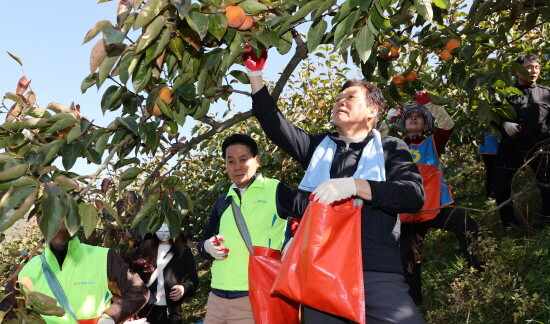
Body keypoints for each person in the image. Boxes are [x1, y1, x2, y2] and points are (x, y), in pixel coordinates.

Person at [245, 48, 425, 323]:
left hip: (374, 270)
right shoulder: (318, 148)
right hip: (323, 270)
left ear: (373, 109)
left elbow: (412, 195)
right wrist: (255, 75)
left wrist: (355, 186)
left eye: (350, 96)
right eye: (338, 98)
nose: (341, 101)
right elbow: (274, 123)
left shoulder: (390, 148)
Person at [196, 133, 308, 324]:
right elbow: (202, 245)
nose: (237, 166)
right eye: (230, 161)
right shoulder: (223, 201)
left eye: (243, 159)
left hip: (254, 297)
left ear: (257, 161)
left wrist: (292, 247)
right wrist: (207, 247)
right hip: (216, 299)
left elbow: (312, 212)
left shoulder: (274, 190)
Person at [386, 92, 483, 305]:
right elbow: (372, 139)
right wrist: (387, 120)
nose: (413, 118)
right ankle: (414, 306)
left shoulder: (432, 142)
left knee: (466, 222)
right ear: (402, 123)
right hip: (407, 212)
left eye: (418, 116)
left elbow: (447, 125)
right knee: (408, 259)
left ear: (425, 123)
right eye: (409, 116)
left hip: (434, 207)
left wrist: (429, 104)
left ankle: (478, 273)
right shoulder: (393, 145)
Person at [18, 216, 149, 324]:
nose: (57, 224)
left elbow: (138, 291)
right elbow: (23, 315)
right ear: (39, 222)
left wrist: (109, 318)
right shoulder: (28, 271)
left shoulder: (103, 257)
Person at [493, 53, 550, 228]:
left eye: (536, 67)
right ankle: (510, 225)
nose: (533, 71)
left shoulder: (546, 93)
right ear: (517, 71)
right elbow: (492, 115)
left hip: (540, 147)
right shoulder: (505, 93)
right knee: (501, 184)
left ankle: (546, 224)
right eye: (528, 67)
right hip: (512, 147)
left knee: (548, 184)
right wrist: (504, 123)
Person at [133, 223, 199, 324]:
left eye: (167, 226)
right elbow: (132, 277)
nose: (163, 231)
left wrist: (184, 288)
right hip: (145, 311)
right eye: (160, 227)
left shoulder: (183, 252)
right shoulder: (143, 250)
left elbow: (192, 280)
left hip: (171, 313)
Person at [477, 131, 499, 199]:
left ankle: (490, 193)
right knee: (494, 172)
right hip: (491, 148)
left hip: (486, 148)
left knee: (491, 172)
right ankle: (492, 193)